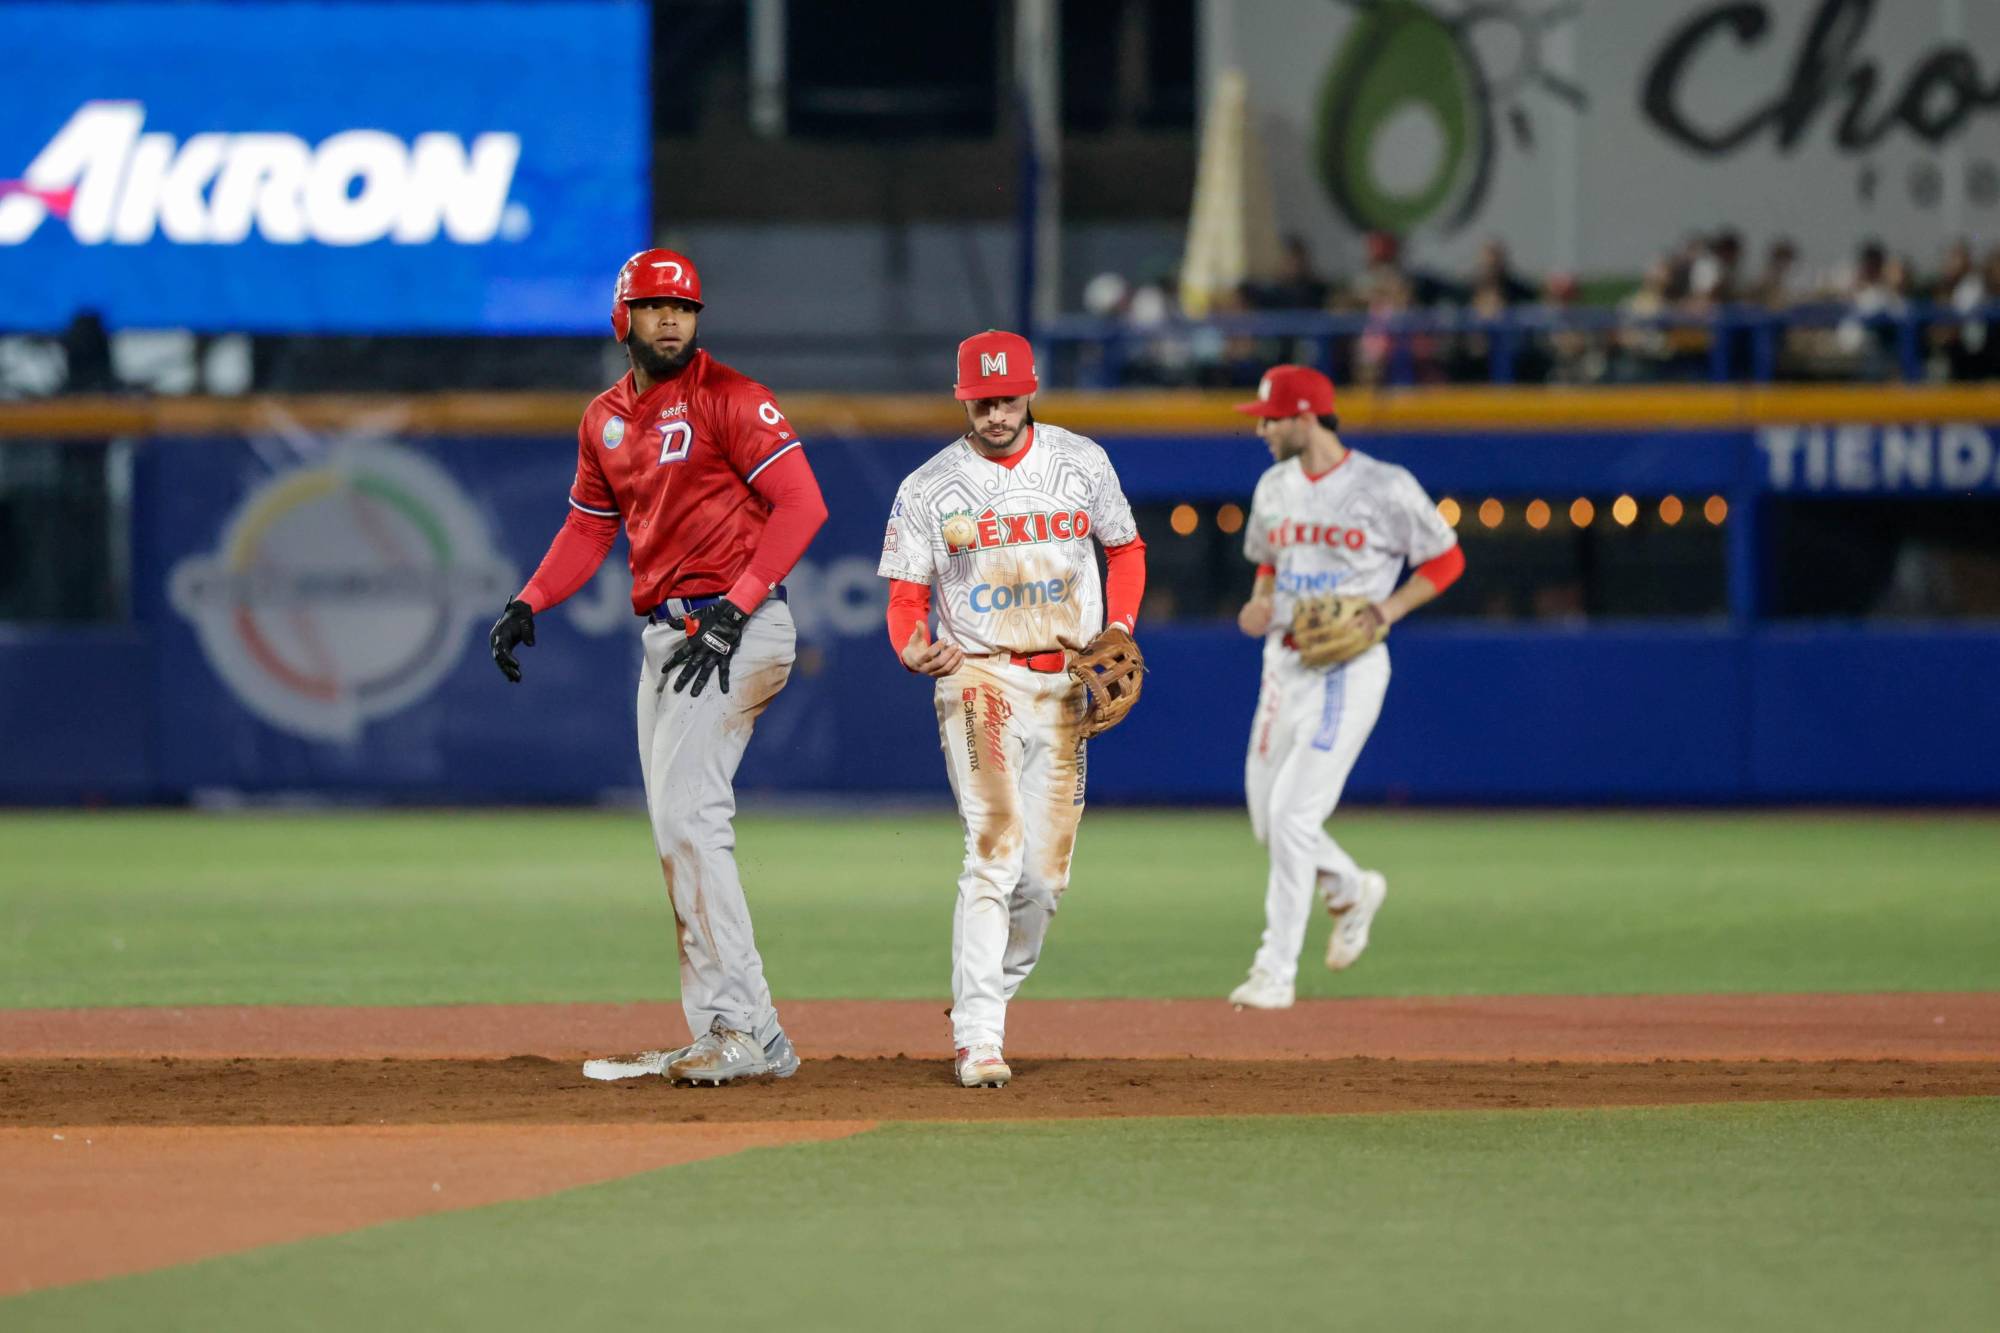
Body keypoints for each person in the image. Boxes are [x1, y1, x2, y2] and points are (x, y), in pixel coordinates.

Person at [488, 248, 828, 1084]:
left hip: (737, 626)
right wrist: (530, 599)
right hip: (671, 640)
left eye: (684, 307)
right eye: (653, 306)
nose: (672, 318)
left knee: (690, 822)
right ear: (623, 318)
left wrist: (735, 609)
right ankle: (756, 1032)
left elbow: (803, 505)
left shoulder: (731, 398)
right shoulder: (604, 417)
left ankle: (736, 1030)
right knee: (679, 831)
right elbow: (587, 528)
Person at [876, 330, 1147, 1086]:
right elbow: (905, 595)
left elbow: (1125, 548)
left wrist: (1119, 624)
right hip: (979, 676)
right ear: (963, 398)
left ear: (1030, 391)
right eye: (981, 399)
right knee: (992, 852)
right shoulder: (930, 485)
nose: (996, 412)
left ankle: (979, 998)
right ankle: (980, 1037)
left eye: (1007, 397)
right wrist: (912, 646)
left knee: (1044, 882)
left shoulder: (1081, 462)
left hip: (1067, 680)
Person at [1225, 364, 1464, 1010]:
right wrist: (1259, 602)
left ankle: (1274, 971)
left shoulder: (1384, 486)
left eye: (1271, 418)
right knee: (1267, 819)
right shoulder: (1274, 486)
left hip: (1348, 669)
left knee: (1293, 814)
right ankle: (1352, 887)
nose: (1263, 429)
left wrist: (1387, 610)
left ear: (1306, 416)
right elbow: (1269, 563)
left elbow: (1446, 557)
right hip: (1284, 664)